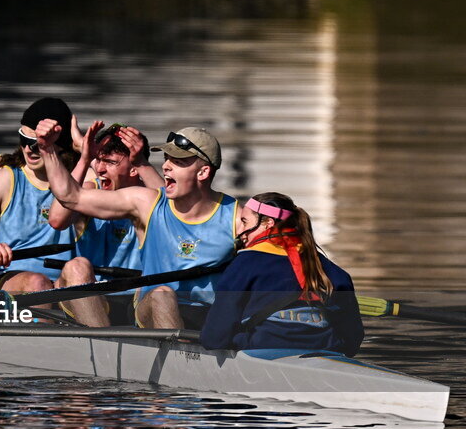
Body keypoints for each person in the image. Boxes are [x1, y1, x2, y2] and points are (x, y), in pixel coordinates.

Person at [39, 122, 237, 329]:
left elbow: (178, 206)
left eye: (109, 162)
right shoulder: (95, 190)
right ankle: (102, 343)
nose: (99, 169)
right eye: (97, 160)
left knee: (161, 294)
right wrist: (59, 152)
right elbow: (61, 212)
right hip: (93, 297)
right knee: (76, 266)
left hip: (137, 298)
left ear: (134, 169)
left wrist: (142, 162)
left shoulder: (152, 201)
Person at [0, 97, 107, 326]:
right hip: (6, 282)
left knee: (80, 266)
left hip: (61, 284)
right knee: (37, 283)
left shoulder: (81, 179)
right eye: (24, 139)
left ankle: (107, 348)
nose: (29, 150)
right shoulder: (3, 181)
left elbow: (106, 170)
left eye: (37, 143)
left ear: (57, 144)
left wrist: (83, 151)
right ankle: (42, 350)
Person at [200, 193, 364, 356]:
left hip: (263, 352)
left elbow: (214, 339)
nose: (239, 231)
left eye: (244, 222)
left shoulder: (244, 264)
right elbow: (353, 339)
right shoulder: (332, 270)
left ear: (268, 224)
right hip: (327, 351)